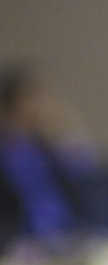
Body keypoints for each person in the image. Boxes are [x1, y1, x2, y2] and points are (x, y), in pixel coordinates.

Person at [0, 65, 89, 254]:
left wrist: (66, 136)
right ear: (15, 102)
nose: (44, 105)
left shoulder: (46, 149)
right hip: (22, 249)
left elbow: (83, 176)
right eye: (34, 97)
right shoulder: (7, 152)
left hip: (64, 241)